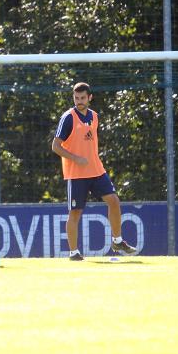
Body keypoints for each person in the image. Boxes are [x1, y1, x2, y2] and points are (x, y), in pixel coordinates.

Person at [52, 82, 136, 261]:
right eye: (76, 98)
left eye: (82, 98)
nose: (79, 101)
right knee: (75, 213)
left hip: (96, 170)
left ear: (90, 98)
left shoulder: (95, 116)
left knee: (113, 201)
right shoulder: (68, 117)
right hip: (76, 174)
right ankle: (74, 253)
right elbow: (55, 146)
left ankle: (117, 240)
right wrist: (76, 158)